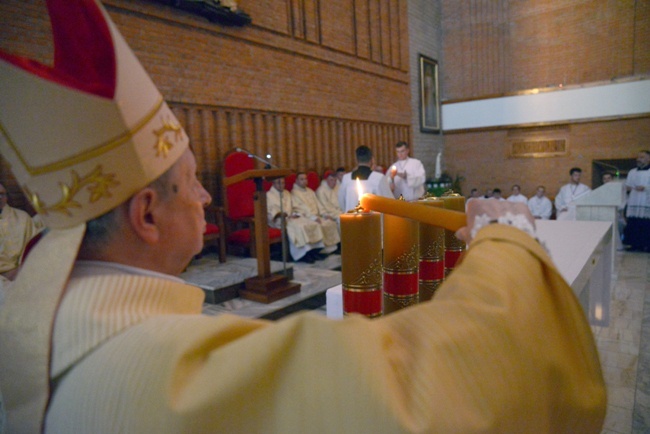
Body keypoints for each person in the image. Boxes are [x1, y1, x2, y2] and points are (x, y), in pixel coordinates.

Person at [0, 1, 607, 432]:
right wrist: (508, 241)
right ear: (147, 215)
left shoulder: (52, 334)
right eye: (190, 185)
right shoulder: (152, 374)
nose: (208, 198)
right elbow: (422, 396)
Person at [266, 177, 325, 263]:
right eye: (279, 183)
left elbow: (294, 206)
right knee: (299, 227)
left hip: (291, 217)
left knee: (309, 223)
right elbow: (271, 212)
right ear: (273, 184)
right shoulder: (269, 195)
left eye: (283, 183)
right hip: (279, 220)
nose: (281, 185)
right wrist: (286, 216)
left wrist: (296, 214)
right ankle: (302, 254)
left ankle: (313, 251)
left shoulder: (287, 193)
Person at [290, 172, 340, 255]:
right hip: (306, 217)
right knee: (313, 226)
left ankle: (327, 250)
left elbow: (318, 204)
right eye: (301, 179)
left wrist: (324, 215)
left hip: (317, 216)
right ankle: (310, 253)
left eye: (305, 179)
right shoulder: (294, 192)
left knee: (329, 223)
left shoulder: (310, 191)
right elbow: (301, 208)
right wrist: (313, 218)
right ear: (296, 181)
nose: (304, 181)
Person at [0, 183, 39, 283]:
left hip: (19, 274)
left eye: (2, 194)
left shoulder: (22, 218)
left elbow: (33, 249)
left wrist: (20, 271)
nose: (0, 197)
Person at [338, 146, 393, 212]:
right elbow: (389, 204)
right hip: (372, 221)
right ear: (371, 160)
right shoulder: (378, 178)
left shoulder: (346, 178)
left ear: (356, 160)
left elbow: (341, 202)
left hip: (351, 219)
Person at [623, 150, 650, 251]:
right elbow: (628, 185)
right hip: (634, 200)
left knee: (646, 224)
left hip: (646, 202)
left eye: (642, 157)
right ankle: (634, 244)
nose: (638, 159)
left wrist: (646, 188)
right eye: (638, 157)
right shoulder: (632, 172)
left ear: (649, 159)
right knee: (634, 223)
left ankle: (647, 245)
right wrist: (628, 187)